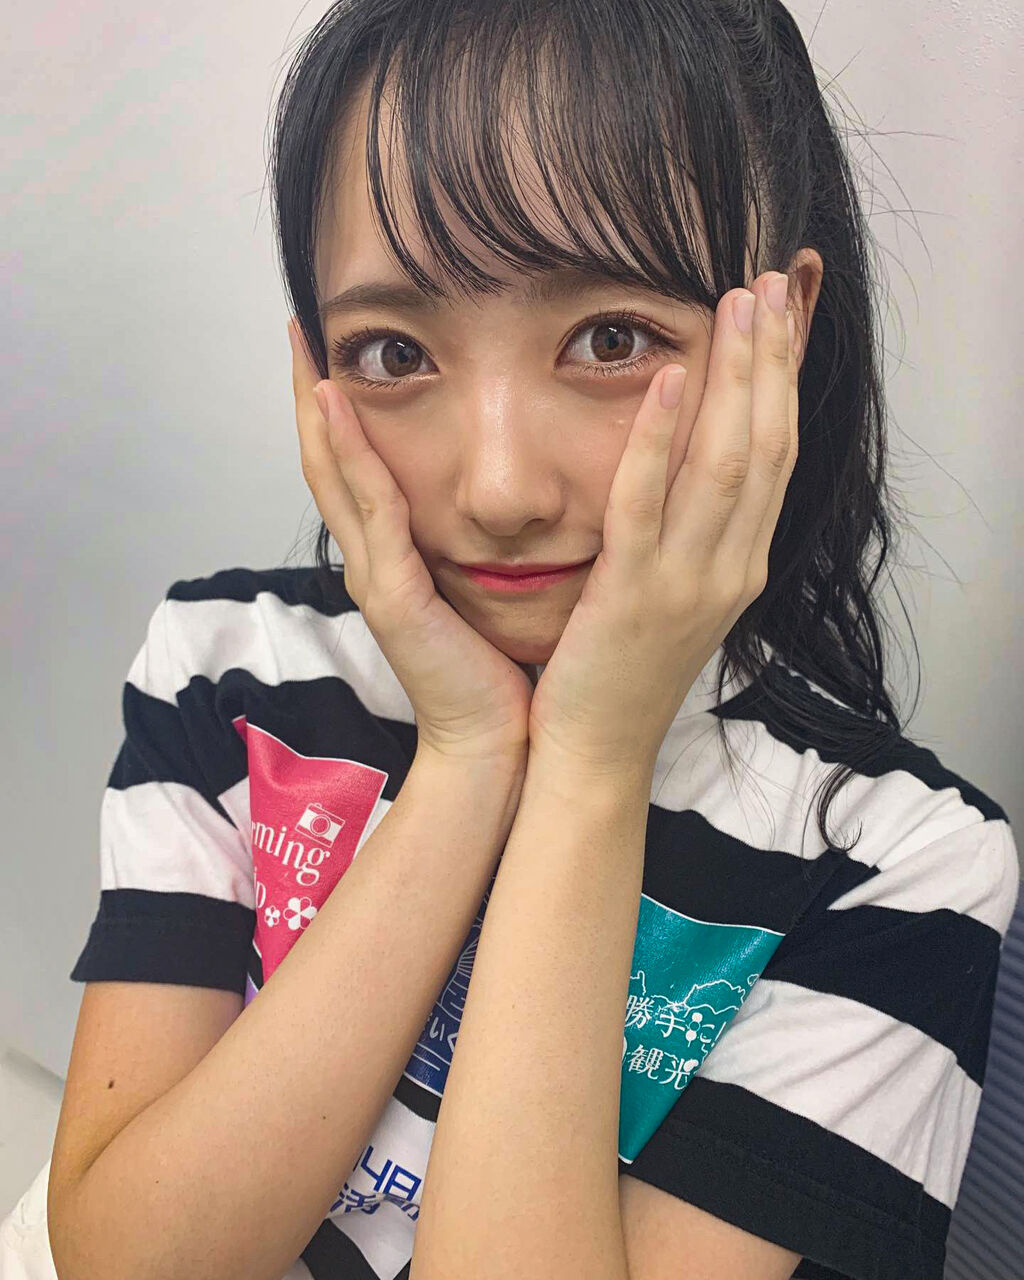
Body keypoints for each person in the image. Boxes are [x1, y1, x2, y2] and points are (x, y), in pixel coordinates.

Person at [3, 3, 1017, 1279]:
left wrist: (590, 763)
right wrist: (469, 753)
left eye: (609, 339)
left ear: (782, 326)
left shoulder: (893, 862)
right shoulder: (224, 665)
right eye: (393, 350)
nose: (497, 489)